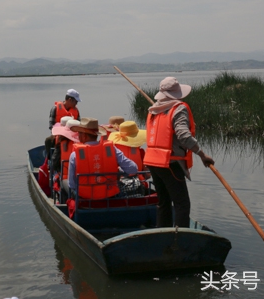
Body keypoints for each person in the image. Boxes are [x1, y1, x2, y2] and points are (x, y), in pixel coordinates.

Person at [144, 76, 214, 228]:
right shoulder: (178, 108)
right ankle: (180, 240)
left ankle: (163, 236)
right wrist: (202, 154)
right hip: (170, 163)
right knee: (182, 204)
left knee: (164, 203)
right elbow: (183, 135)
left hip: (153, 162)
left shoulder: (154, 109)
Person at [66, 117, 138, 201]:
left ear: (84, 136)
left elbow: (72, 184)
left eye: (79, 134)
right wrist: (119, 172)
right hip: (110, 198)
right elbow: (133, 169)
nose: (78, 136)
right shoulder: (111, 150)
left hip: (85, 200)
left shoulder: (74, 155)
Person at [45, 89, 82, 178]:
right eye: (76, 101)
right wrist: (61, 132)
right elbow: (51, 125)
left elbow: (79, 123)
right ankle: (49, 162)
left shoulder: (76, 110)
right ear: (70, 100)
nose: (76, 104)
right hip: (58, 134)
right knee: (48, 141)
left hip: (73, 135)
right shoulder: (55, 109)